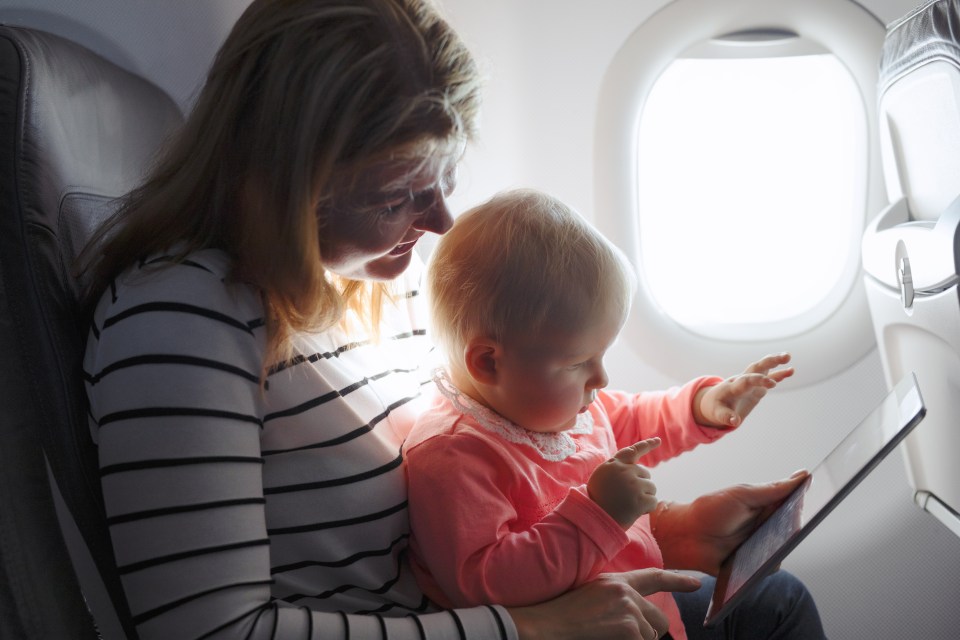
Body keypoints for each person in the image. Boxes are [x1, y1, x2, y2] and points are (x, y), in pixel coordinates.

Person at [78, 1, 814, 638]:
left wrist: (665, 531)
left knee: (771, 596)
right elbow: (214, 630)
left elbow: (517, 467)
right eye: (400, 193)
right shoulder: (180, 322)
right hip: (488, 622)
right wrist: (529, 629)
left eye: (444, 182)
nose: (440, 222)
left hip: (506, 606)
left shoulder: (381, 291)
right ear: (296, 180)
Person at [403, 189, 826, 640]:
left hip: (640, 612)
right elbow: (484, 582)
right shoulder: (454, 455)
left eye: (601, 356)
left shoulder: (549, 407)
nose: (600, 378)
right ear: (488, 363)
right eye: (576, 363)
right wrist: (599, 514)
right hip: (583, 628)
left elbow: (632, 421)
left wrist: (703, 405)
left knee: (783, 598)